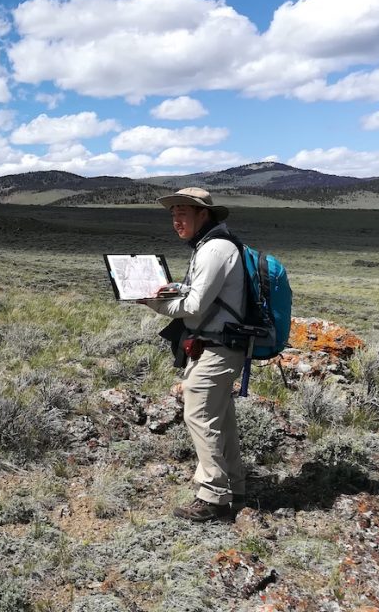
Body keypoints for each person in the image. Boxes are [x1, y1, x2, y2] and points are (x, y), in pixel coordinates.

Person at [144, 187, 246, 522]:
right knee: (221, 418)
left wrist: (154, 302)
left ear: (204, 214)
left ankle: (213, 496)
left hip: (218, 347)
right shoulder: (212, 245)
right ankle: (236, 487)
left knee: (199, 415)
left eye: (183, 214)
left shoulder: (214, 250)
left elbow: (194, 306)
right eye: (173, 215)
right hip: (220, 344)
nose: (176, 221)